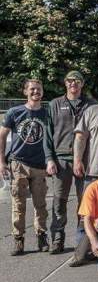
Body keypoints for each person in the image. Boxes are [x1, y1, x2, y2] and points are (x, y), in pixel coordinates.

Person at [0, 79, 55, 256]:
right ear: (25, 92)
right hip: (19, 164)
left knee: (41, 204)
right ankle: (18, 239)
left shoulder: (47, 114)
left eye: (38, 89)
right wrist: (2, 161)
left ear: (42, 92)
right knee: (18, 204)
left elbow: (53, 139)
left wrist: (51, 161)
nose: (35, 92)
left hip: (40, 165)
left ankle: (41, 236)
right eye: (32, 89)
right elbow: (2, 136)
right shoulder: (14, 112)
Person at [45, 70, 97, 254]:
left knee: (85, 202)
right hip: (61, 160)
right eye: (69, 80)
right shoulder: (55, 104)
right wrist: (49, 158)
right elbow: (48, 135)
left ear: (82, 84)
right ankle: (57, 238)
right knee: (59, 200)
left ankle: (82, 238)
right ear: (65, 83)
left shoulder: (92, 105)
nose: (73, 83)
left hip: (86, 160)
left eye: (77, 80)